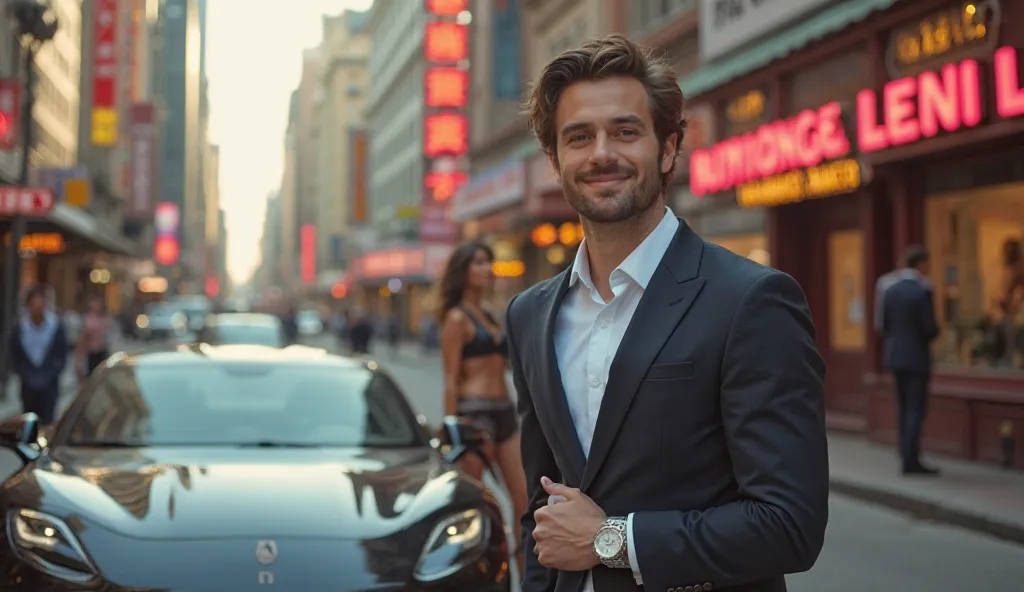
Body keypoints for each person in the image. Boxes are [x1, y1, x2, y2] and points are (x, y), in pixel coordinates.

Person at [507, 34, 829, 592]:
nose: (602, 153)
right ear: (555, 161)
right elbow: (545, 506)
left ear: (668, 148)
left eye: (626, 131)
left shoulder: (752, 301)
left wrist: (612, 538)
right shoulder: (529, 315)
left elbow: (790, 525)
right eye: (579, 137)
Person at [438, 240, 528, 574]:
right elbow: (449, 378)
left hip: (505, 413)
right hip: (473, 418)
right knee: (475, 508)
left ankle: (527, 578)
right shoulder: (456, 319)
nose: (487, 268)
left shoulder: (491, 314)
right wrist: (453, 429)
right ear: (463, 271)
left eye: (489, 262)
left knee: (525, 505)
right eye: (478, 262)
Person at [880, 245, 940, 475]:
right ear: (921, 264)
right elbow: (930, 328)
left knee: (903, 407)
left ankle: (905, 454)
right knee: (915, 408)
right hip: (916, 357)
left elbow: (884, 325)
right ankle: (911, 460)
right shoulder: (922, 291)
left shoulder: (890, 290)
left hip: (895, 356)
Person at [9, 285, 69, 424]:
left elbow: (61, 355)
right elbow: (15, 355)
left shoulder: (55, 326)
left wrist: (50, 374)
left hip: (49, 383)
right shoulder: (21, 328)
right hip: (28, 383)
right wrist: (25, 374)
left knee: (47, 421)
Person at [75, 295, 114, 380]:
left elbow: (108, 337)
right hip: (91, 353)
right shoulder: (88, 319)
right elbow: (83, 339)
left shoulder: (105, 319)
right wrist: (79, 359)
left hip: (102, 352)